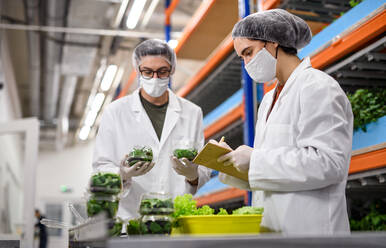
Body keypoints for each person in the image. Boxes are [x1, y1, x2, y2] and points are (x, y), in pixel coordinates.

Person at [214, 9, 353, 234]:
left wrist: (255, 159)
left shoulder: (318, 87)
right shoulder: (269, 100)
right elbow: (272, 174)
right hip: (273, 230)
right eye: (242, 58)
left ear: (272, 43)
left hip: (312, 232)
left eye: (249, 52)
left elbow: (328, 164)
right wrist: (228, 162)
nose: (247, 63)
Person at [93, 39, 211, 223]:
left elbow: (202, 170)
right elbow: (100, 168)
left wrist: (192, 175)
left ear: (172, 70)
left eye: (162, 71)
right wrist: (122, 174)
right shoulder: (115, 112)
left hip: (176, 218)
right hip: (131, 219)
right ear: (137, 70)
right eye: (147, 72)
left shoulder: (192, 112)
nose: (155, 78)